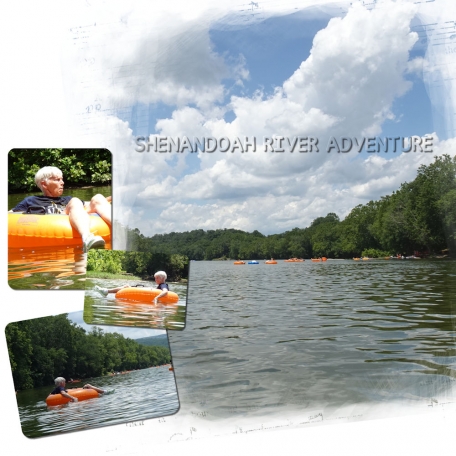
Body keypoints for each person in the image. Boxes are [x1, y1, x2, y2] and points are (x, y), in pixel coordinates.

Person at [10, 166, 111, 252]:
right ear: (44, 184)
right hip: (52, 224)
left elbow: (95, 203)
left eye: (62, 179)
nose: (62, 183)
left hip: (73, 215)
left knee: (97, 197)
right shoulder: (31, 200)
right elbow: (10, 215)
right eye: (57, 180)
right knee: (75, 201)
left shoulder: (67, 199)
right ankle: (87, 237)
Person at [95, 271, 169, 304]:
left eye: (157, 278)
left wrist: (156, 298)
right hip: (147, 294)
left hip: (153, 297)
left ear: (162, 278)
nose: (155, 280)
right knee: (126, 286)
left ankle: (106, 291)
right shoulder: (160, 285)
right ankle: (106, 291)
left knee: (126, 286)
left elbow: (165, 291)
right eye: (155, 278)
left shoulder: (163, 285)